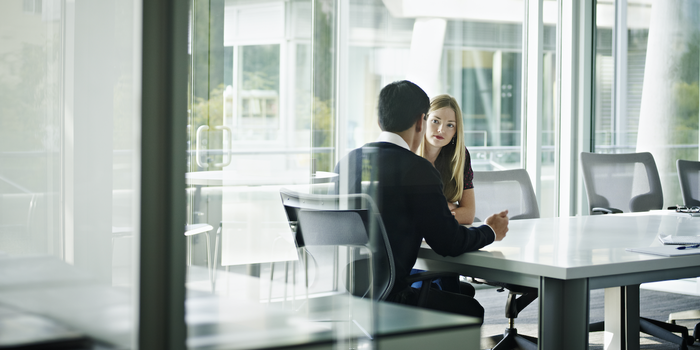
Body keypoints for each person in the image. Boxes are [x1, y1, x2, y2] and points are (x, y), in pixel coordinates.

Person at [333, 80, 508, 321]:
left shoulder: (347, 163)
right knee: (470, 311)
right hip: (390, 297)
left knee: (461, 292)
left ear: (379, 121)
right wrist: (490, 230)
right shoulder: (417, 169)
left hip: (348, 293)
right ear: (420, 122)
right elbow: (449, 243)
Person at [418, 94, 475, 225]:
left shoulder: (459, 156)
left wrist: (434, 213)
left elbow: (468, 214)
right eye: (435, 121)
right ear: (424, 120)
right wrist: (446, 208)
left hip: (444, 236)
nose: (441, 130)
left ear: (455, 131)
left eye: (450, 125)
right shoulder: (408, 153)